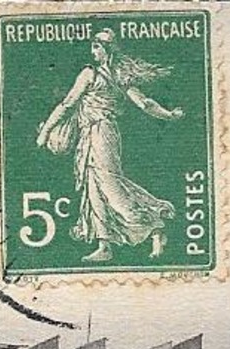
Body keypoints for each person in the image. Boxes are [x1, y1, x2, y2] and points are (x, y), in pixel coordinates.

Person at [34, 27, 182, 263]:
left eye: (97, 46)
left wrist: (45, 131)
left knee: (110, 186)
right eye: (93, 46)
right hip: (92, 134)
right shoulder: (115, 77)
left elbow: (68, 103)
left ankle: (155, 225)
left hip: (101, 133)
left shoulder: (92, 74)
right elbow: (145, 104)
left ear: (107, 50)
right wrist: (170, 115)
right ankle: (105, 245)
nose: (93, 51)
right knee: (93, 187)